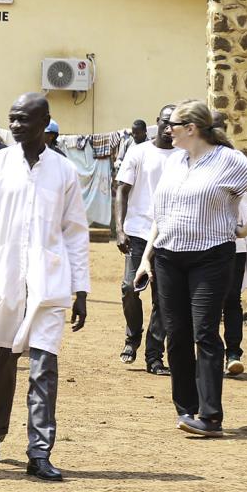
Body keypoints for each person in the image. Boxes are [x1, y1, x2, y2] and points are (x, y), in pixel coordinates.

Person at [0, 92, 90, 482]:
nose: (15, 125)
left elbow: (75, 232)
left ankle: (39, 451)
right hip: (4, 279)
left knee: (44, 366)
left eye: (24, 119)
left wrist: (81, 289)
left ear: (44, 122)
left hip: (49, 280)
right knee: (0, 363)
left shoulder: (63, 171)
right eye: (12, 118)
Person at [133, 100, 247, 437]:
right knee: (177, 335)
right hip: (169, 257)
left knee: (205, 333)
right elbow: (162, 215)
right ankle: (186, 410)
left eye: (172, 124)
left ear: (192, 128)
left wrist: (244, 229)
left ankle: (211, 417)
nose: (166, 130)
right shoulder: (175, 161)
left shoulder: (228, 160)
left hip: (210, 257)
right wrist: (146, 258)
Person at [112, 104, 177, 374]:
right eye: (165, 122)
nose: (169, 128)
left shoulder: (184, 156)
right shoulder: (139, 152)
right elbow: (122, 190)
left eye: (175, 124)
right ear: (157, 121)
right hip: (138, 233)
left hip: (170, 236)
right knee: (130, 288)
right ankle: (133, 337)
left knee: (164, 298)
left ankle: (154, 355)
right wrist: (119, 228)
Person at [211, 111, 247, 377]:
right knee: (208, 301)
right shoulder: (194, 160)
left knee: (232, 298)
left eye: (219, 126)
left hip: (234, 245)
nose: (216, 131)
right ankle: (209, 355)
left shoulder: (238, 161)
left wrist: (244, 231)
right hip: (203, 242)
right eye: (212, 126)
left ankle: (233, 354)